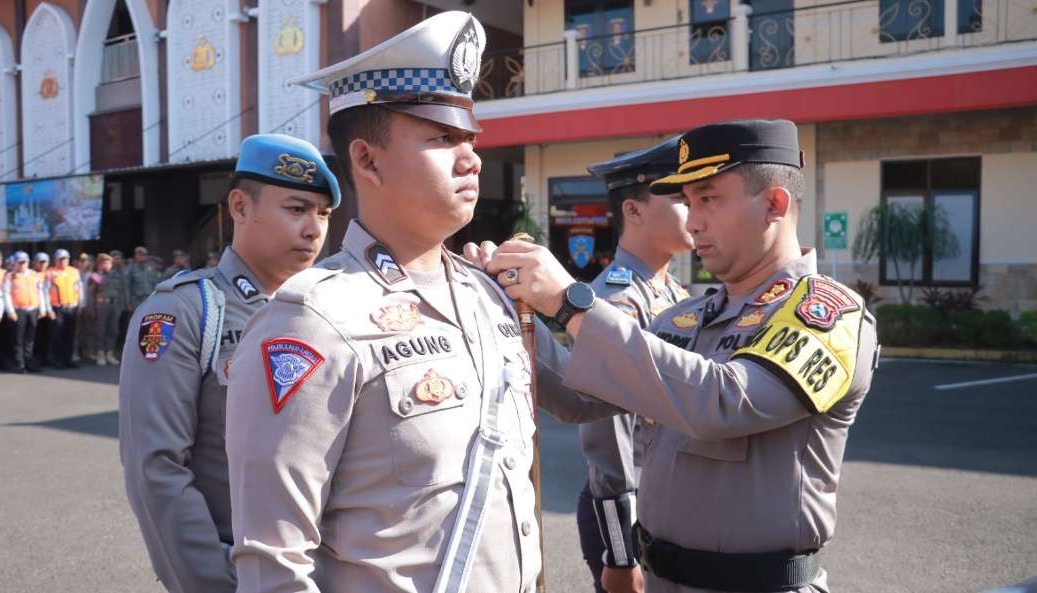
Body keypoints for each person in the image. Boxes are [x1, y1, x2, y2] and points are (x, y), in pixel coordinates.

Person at [223, 13, 605, 593]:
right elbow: (273, 559)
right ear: (368, 160)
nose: (471, 157)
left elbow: (591, 396)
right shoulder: (312, 317)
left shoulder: (491, 295)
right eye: (441, 138)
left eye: (469, 138)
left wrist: (573, 302)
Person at [485, 119, 880, 593]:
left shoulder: (827, 314)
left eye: (709, 198)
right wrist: (500, 305)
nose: (693, 221)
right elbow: (581, 395)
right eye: (688, 202)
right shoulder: (687, 315)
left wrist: (571, 303)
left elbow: (719, 402)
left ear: (775, 203)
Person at [118, 133, 340, 593]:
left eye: (322, 214)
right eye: (297, 209)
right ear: (240, 207)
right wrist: (216, 582)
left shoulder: (329, 312)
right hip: (235, 572)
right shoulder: (185, 312)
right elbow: (156, 469)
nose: (314, 229)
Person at [577, 137, 694, 593]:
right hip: (630, 510)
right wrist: (621, 552)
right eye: (683, 200)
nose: (696, 211)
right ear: (634, 210)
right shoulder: (616, 300)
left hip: (669, 500)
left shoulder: (674, 292)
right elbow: (608, 436)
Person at [3, 251, 48, 373]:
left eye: (25, 262)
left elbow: (40, 292)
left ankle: (28, 361)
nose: (23, 264)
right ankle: (19, 364)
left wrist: (42, 308)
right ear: (15, 263)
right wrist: (10, 311)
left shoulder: (34, 274)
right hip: (19, 310)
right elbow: (6, 294)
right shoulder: (10, 276)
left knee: (30, 338)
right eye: (20, 262)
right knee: (18, 339)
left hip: (32, 309)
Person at [45, 249, 83, 369]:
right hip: (58, 308)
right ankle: (58, 360)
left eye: (65, 258)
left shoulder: (74, 271)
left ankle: (69, 359)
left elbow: (79, 288)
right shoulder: (50, 272)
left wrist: (81, 304)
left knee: (70, 335)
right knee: (58, 335)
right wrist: (48, 309)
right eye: (60, 259)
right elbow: (45, 292)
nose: (63, 261)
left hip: (72, 307)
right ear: (55, 260)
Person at [87, 253, 128, 365]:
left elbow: (122, 291)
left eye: (109, 263)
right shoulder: (95, 276)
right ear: (99, 264)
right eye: (104, 263)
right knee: (101, 331)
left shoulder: (117, 275)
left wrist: (122, 306)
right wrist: (91, 309)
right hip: (101, 306)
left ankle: (109, 353)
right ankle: (100, 353)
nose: (107, 265)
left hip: (115, 305)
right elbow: (90, 294)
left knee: (113, 330)